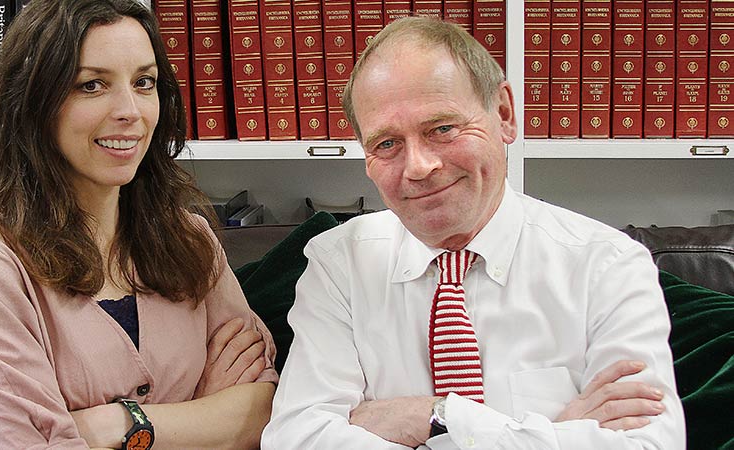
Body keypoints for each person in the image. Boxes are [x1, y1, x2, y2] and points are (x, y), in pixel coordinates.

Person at [262, 17, 685, 449]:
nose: (418, 167)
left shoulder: (609, 266)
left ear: (504, 114)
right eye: (387, 144)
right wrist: (552, 433)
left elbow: (652, 445)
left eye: (442, 129)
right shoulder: (339, 266)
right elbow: (296, 439)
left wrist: (435, 417)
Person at [0, 1, 277, 449]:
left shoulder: (192, 239)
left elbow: (265, 416)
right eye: (92, 85)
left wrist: (117, 424)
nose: (130, 111)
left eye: (144, 82)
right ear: (34, 104)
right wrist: (204, 419)